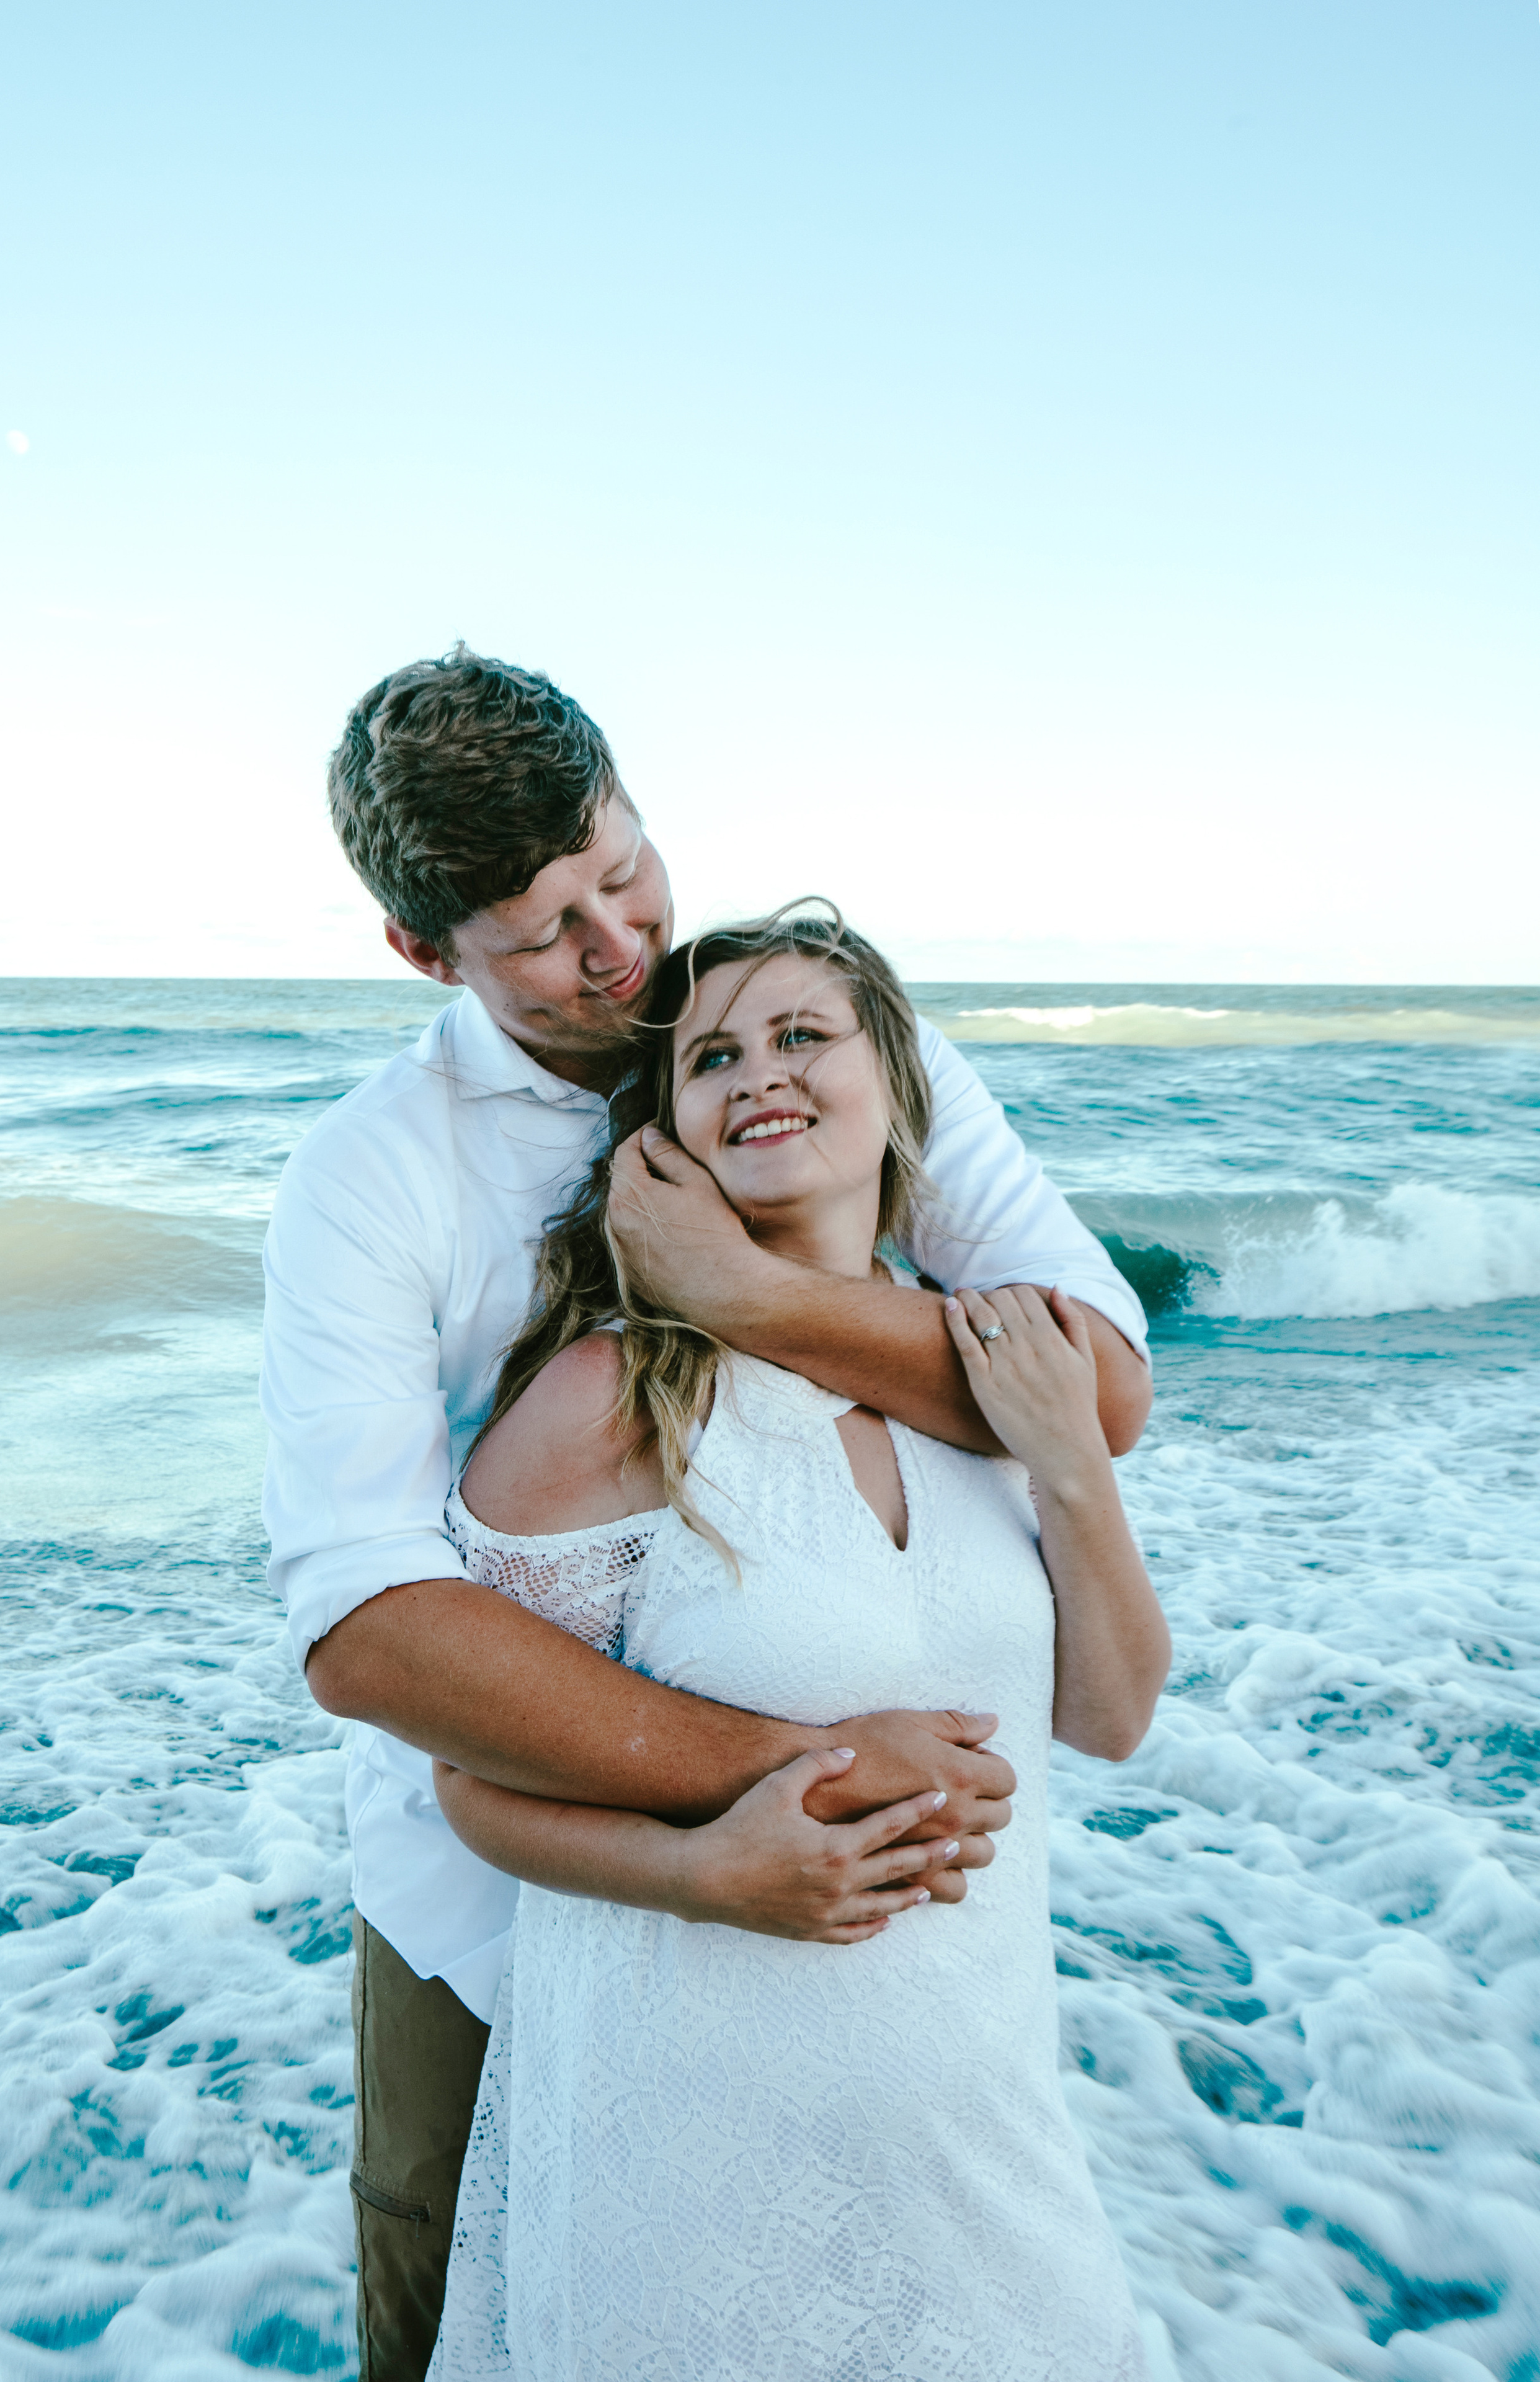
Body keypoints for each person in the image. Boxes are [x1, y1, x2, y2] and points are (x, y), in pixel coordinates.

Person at [260, 646, 1153, 2376]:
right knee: (467, 2299)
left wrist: (745, 1297)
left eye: (622, 867)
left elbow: (1095, 1391)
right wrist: (768, 1790)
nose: (619, 948)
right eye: (542, 932)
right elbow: (370, 1630)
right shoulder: (373, 1180)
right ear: (421, 952)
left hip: (875, 1878)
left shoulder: (794, 1035)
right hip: (499, 1877)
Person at [425, 908, 1169, 2378]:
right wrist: (701, 1869)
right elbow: (471, 1776)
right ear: (670, 1142)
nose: (756, 1073)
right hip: (694, 2125)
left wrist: (1070, 1466)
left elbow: (1106, 1715)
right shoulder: (606, 1404)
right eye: (709, 1058)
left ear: (896, 1089)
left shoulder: (994, 1362)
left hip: (978, 2101)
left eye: (800, 1036)